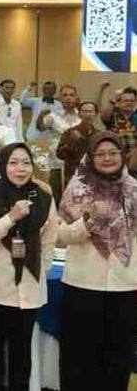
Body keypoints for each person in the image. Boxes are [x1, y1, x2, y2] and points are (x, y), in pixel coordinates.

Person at [0, 143, 58, 391]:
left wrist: (41, 268)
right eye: (13, 163)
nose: (21, 169)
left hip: (28, 286)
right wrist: (11, 218)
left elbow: (49, 238)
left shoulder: (43, 197)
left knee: (22, 354)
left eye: (26, 163)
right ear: (2, 166)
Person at [57, 131, 137, 391]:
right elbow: (60, 235)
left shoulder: (134, 190)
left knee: (118, 360)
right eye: (100, 154)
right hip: (82, 286)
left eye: (113, 153)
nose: (107, 158)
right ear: (90, 158)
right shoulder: (77, 189)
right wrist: (88, 223)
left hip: (125, 287)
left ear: (123, 155)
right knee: (79, 360)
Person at [36, 84, 81, 201]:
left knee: (75, 197)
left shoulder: (82, 117)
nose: (68, 98)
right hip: (57, 163)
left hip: (77, 164)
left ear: (76, 98)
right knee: (57, 197)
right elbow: (40, 127)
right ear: (60, 98)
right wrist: (41, 115)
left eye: (71, 95)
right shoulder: (53, 116)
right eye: (65, 95)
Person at [56, 101, 99, 185]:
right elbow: (60, 155)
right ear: (79, 114)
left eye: (90, 112)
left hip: (94, 176)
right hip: (73, 175)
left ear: (95, 114)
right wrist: (71, 143)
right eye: (85, 111)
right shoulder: (70, 132)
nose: (88, 114)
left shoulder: (99, 134)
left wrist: (81, 140)